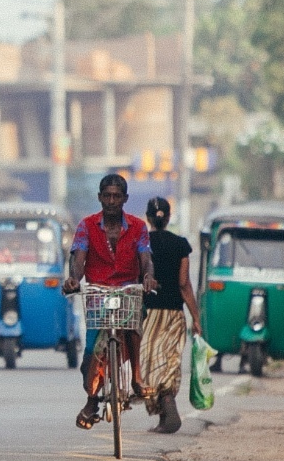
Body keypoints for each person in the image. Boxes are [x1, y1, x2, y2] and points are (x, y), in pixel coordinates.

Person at [63, 174, 156, 430]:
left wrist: (148, 276)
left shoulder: (138, 227)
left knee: (135, 323)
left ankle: (137, 378)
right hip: (98, 292)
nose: (112, 201)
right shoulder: (86, 225)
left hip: (128, 289)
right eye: (107, 195)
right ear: (100, 197)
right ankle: (92, 399)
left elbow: (146, 257)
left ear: (125, 199)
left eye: (117, 196)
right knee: (91, 351)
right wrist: (74, 279)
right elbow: (79, 258)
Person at [139, 195, 199, 434]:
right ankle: (168, 402)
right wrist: (196, 317)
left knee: (151, 361)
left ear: (148, 218)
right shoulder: (180, 244)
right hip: (175, 313)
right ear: (169, 217)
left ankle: (164, 407)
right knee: (171, 361)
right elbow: (184, 284)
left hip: (149, 314)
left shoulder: (141, 245)